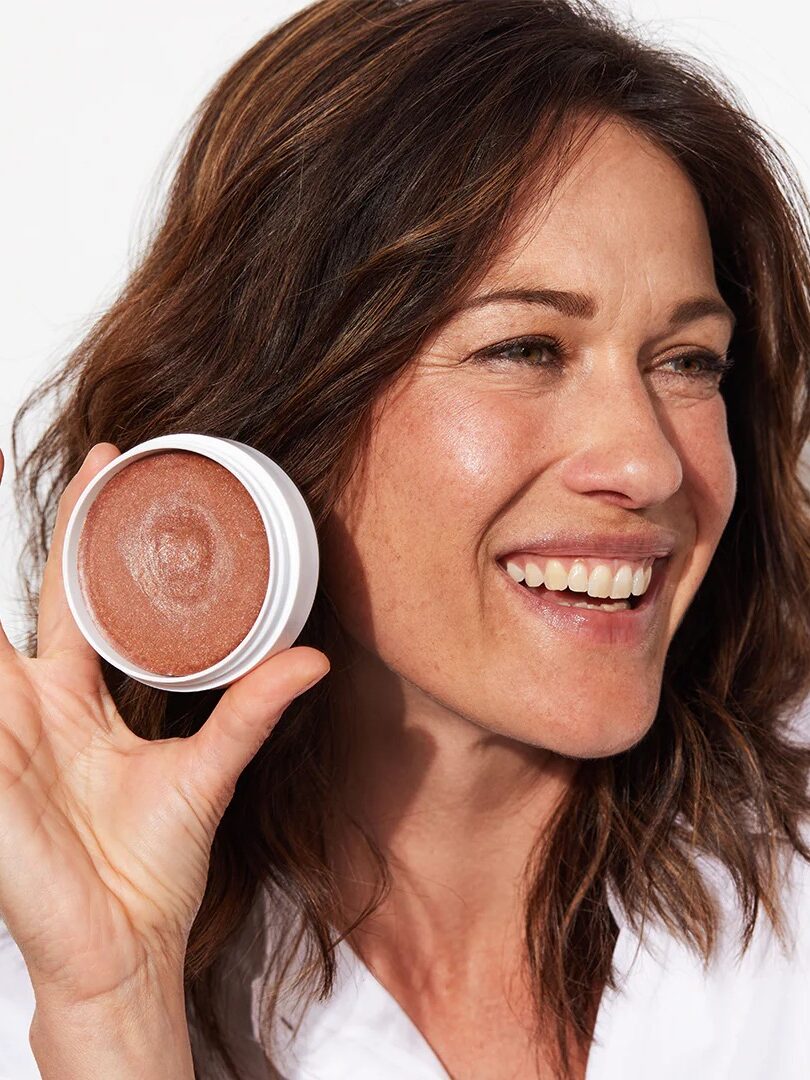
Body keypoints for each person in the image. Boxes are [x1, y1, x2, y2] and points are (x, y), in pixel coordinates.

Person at [1, 0, 810, 1077]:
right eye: (526, 347)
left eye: (689, 361)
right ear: (287, 412)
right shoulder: (58, 980)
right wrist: (115, 1015)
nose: (652, 466)